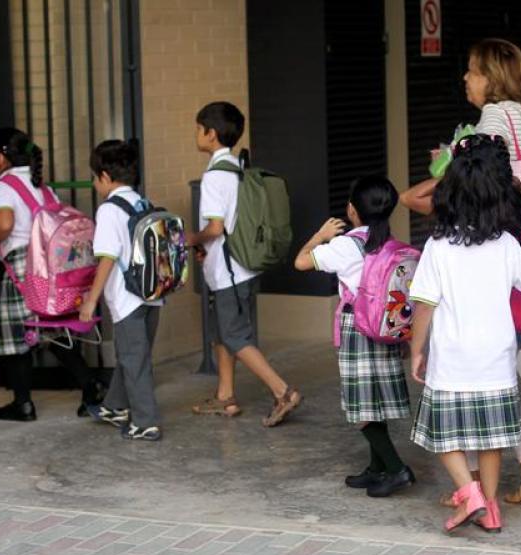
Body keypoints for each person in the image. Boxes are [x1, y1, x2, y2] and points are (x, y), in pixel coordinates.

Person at [401, 38, 521, 449]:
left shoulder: (492, 120)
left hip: (500, 230)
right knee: (520, 324)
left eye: (472, 70)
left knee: (512, 328)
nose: (466, 78)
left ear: (490, 77)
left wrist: (442, 177)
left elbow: (483, 176)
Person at [408, 134, 521, 534]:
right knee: (491, 439)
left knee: (444, 435)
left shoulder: (439, 246)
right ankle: (489, 506)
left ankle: (468, 491)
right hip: (497, 356)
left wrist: (416, 350)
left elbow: (424, 305)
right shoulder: (506, 243)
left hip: (453, 356)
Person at [294, 175, 415, 498]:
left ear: (352, 210)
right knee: (374, 402)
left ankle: (395, 468)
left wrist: (320, 235)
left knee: (362, 408)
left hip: (358, 329)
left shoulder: (345, 245)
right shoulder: (389, 243)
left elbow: (301, 262)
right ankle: (377, 469)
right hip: (383, 328)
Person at [186, 102, 302, 426]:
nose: (196, 134)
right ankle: (226, 397)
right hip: (245, 267)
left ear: (210, 134)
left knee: (235, 336)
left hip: (228, 272)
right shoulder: (238, 167)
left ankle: (283, 391)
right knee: (225, 333)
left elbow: (215, 228)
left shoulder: (213, 176)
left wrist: (190, 240)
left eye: (198, 129)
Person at [0, 127, 105, 422]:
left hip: (24, 265)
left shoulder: (2, 187)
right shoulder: (40, 185)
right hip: (52, 265)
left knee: (17, 334)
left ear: (0, 158)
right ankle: (91, 385)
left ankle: (22, 403)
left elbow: (4, 223)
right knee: (52, 329)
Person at [80, 140, 164, 441]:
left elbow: (107, 258)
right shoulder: (143, 202)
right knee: (133, 355)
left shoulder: (109, 211)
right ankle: (114, 406)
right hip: (152, 294)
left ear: (104, 176)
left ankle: (145, 422)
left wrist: (91, 300)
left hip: (127, 298)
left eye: (93, 177)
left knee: (134, 358)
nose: (93, 183)